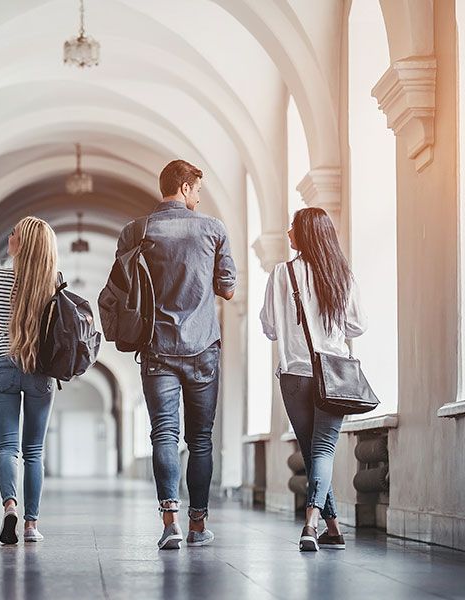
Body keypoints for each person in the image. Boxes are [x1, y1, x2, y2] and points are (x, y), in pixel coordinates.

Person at [114, 160, 236, 549]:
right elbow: (228, 288)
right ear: (184, 188)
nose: (199, 197)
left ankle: (171, 523)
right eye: (197, 189)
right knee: (200, 440)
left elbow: (122, 288)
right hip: (203, 349)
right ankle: (198, 525)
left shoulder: (135, 231)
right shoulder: (213, 228)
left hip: (157, 348)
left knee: (163, 434)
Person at [260, 207, 367, 552]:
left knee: (312, 453)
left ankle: (318, 525)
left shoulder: (281, 273)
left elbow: (270, 328)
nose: (288, 232)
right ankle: (322, 526)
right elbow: (358, 326)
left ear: (306, 234)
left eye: (293, 227)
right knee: (319, 452)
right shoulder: (341, 275)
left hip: (294, 376)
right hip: (333, 375)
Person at [0, 216, 58, 545]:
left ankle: (10, 506)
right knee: (34, 452)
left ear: (23, 243)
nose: (8, 235)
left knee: (7, 448)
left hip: (4, 365)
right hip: (40, 371)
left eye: (13, 232)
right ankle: (30, 525)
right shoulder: (53, 281)